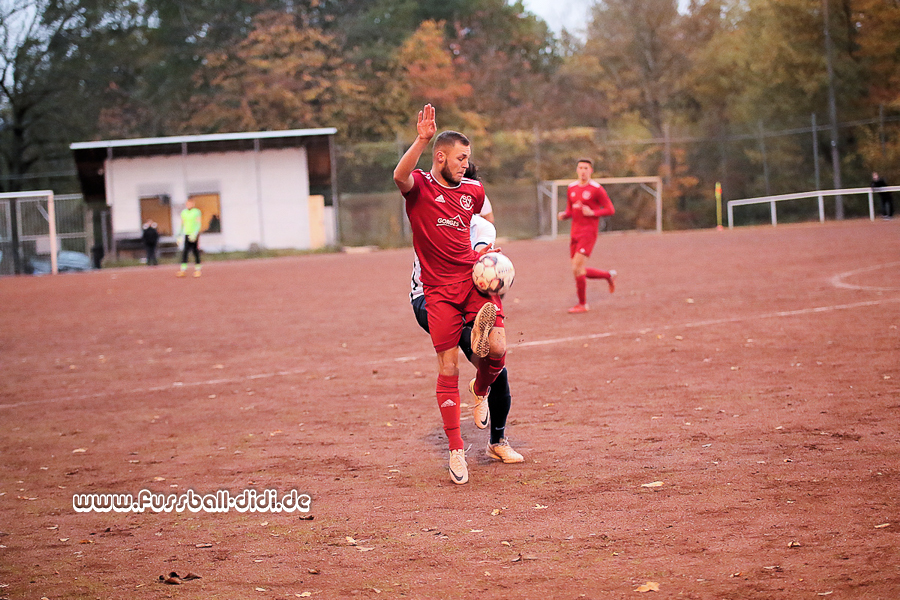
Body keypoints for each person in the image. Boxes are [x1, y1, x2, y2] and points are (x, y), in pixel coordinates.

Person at [394, 103, 518, 485]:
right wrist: (422, 138)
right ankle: (456, 450)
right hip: (435, 291)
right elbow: (399, 175)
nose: (466, 164)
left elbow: (484, 220)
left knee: (497, 348)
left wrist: (487, 254)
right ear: (440, 157)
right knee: (448, 366)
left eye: (469, 158)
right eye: (461, 157)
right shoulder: (420, 187)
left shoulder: (474, 192)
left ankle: (480, 390)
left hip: (471, 283)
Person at [409, 163, 521, 468]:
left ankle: (497, 441)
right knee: (458, 361)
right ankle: (457, 448)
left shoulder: (482, 228)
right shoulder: (433, 218)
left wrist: (494, 271)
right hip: (429, 299)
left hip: (469, 295)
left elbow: (485, 269)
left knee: (497, 367)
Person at [557, 158, 617, 313]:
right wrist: (564, 215)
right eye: (580, 167)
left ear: (591, 171)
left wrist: (594, 212)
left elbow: (610, 209)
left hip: (588, 233)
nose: (583, 170)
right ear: (577, 170)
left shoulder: (597, 189)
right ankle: (608, 275)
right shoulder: (571, 188)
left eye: (586, 168)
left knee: (577, 267)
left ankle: (583, 304)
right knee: (577, 269)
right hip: (574, 232)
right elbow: (571, 210)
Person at [176, 199, 202, 277]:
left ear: (193, 204)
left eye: (190, 204)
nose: (189, 205)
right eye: (187, 204)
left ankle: (198, 269)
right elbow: (182, 224)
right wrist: (179, 234)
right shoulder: (184, 212)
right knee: (185, 251)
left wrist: (195, 233)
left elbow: (198, 223)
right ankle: (183, 270)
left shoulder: (196, 212)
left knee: (195, 251)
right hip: (187, 234)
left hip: (194, 234)